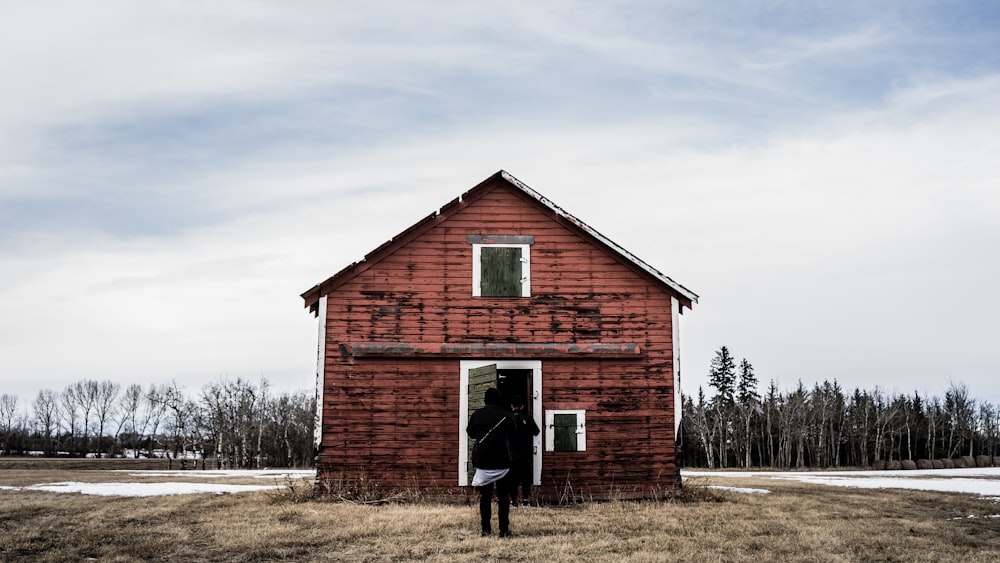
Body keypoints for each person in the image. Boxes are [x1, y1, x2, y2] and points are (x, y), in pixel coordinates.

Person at [467, 387, 516, 537]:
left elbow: (471, 433)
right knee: (503, 497)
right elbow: (513, 435)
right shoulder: (507, 416)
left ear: (485, 400)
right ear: (499, 399)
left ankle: (486, 529)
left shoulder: (477, 415)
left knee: (485, 496)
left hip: (483, 460)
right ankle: (504, 529)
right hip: (502, 461)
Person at [509, 394, 540, 506]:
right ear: (522, 406)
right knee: (525, 478)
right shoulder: (528, 419)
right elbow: (536, 432)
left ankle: (514, 501)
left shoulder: (508, 419)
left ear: (511, 406)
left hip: (511, 454)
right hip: (525, 453)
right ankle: (526, 500)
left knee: (513, 479)